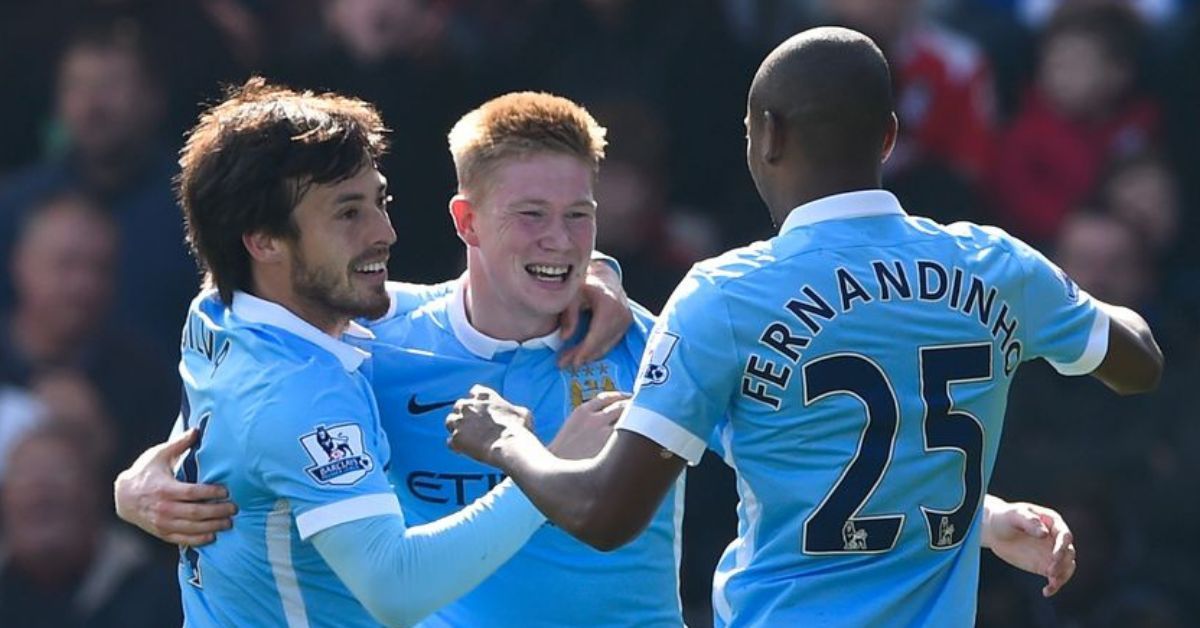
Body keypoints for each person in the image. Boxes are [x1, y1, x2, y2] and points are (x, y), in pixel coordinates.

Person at [120, 89, 1079, 626]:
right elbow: (263, 389)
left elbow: (807, 447)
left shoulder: (648, 342)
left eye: (580, 215)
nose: (562, 240)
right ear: (467, 222)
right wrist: (142, 486)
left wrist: (987, 518)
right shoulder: (379, 342)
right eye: (529, 215)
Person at [444, 27, 1162, 626]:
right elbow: (1138, 362)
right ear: (887, 137)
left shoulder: (728, 295)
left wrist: (508, 442)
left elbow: (604, 512)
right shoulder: (994, 265)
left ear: (766, 133)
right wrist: (984, 513)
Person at [148, 77, 624, 627]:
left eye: (380, 200)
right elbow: (398, 587)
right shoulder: (301, 398)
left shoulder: (218, 309)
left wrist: (585, 271)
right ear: (264, 241)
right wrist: (546, 468)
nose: (386, 232)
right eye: (348, 214)